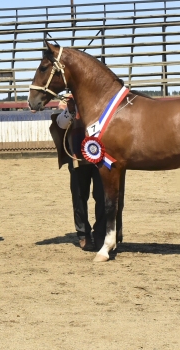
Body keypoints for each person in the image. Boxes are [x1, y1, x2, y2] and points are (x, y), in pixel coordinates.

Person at [49, 95, 105, 251]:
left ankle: (100, 233)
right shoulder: (68, 101)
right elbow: (61, 123)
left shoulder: (100, 98)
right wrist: (71, 109)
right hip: (77, 157)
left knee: (101, 196)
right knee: (79, 196)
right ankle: (83, 234)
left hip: (100, 155)